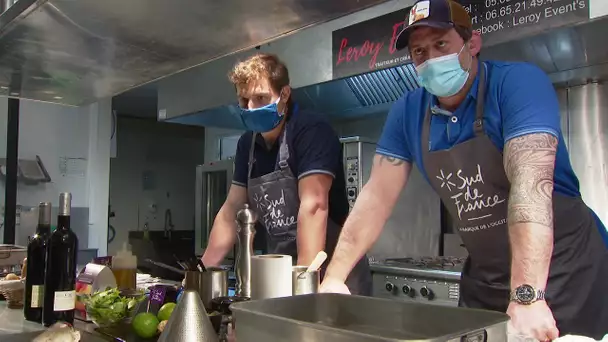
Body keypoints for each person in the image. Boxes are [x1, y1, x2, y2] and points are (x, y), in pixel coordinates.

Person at [319, 0, 608, 339]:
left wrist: (528, 294)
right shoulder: (408, 112)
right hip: (486, 278)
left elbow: (531, 186)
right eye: (419, 52)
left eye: (441, 44)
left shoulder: (517, 84)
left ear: (472, 44)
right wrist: (335, 278)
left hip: (563, 272)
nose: (430, 59)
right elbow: (375, 198)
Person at [200, 53, 372, 295]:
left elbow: (314, 206)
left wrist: (304, 285)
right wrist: (202, 271)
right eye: (243, 100)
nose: (250, 108)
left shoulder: (310, 130)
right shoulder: (247, 145)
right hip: (281, 275)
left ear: (284, 95)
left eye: (260, 98)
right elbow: (231, 211)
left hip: (332, 274)